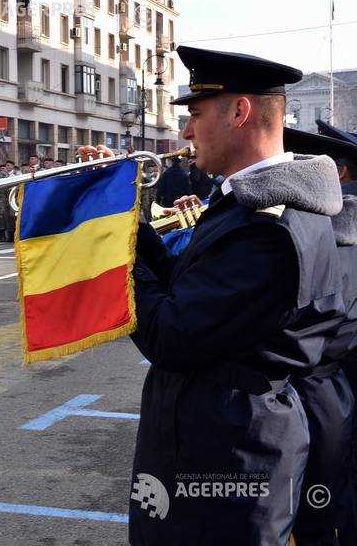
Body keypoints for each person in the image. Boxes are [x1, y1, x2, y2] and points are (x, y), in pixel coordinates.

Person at [84, 46, 348, 545]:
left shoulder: (268, 225)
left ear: (240, 111)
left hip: (226, 448)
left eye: (196, 114)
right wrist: (124, 219)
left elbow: (171, 335)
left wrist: (115, 240)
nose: (186, 132)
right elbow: (185, 286)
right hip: (216, 434)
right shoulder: (251, 203)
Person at [280, 127, 357, 544]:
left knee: (316, 518)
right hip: (330, 400)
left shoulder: (334, 240)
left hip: (317, 403)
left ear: (339, 175)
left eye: (304, 166)